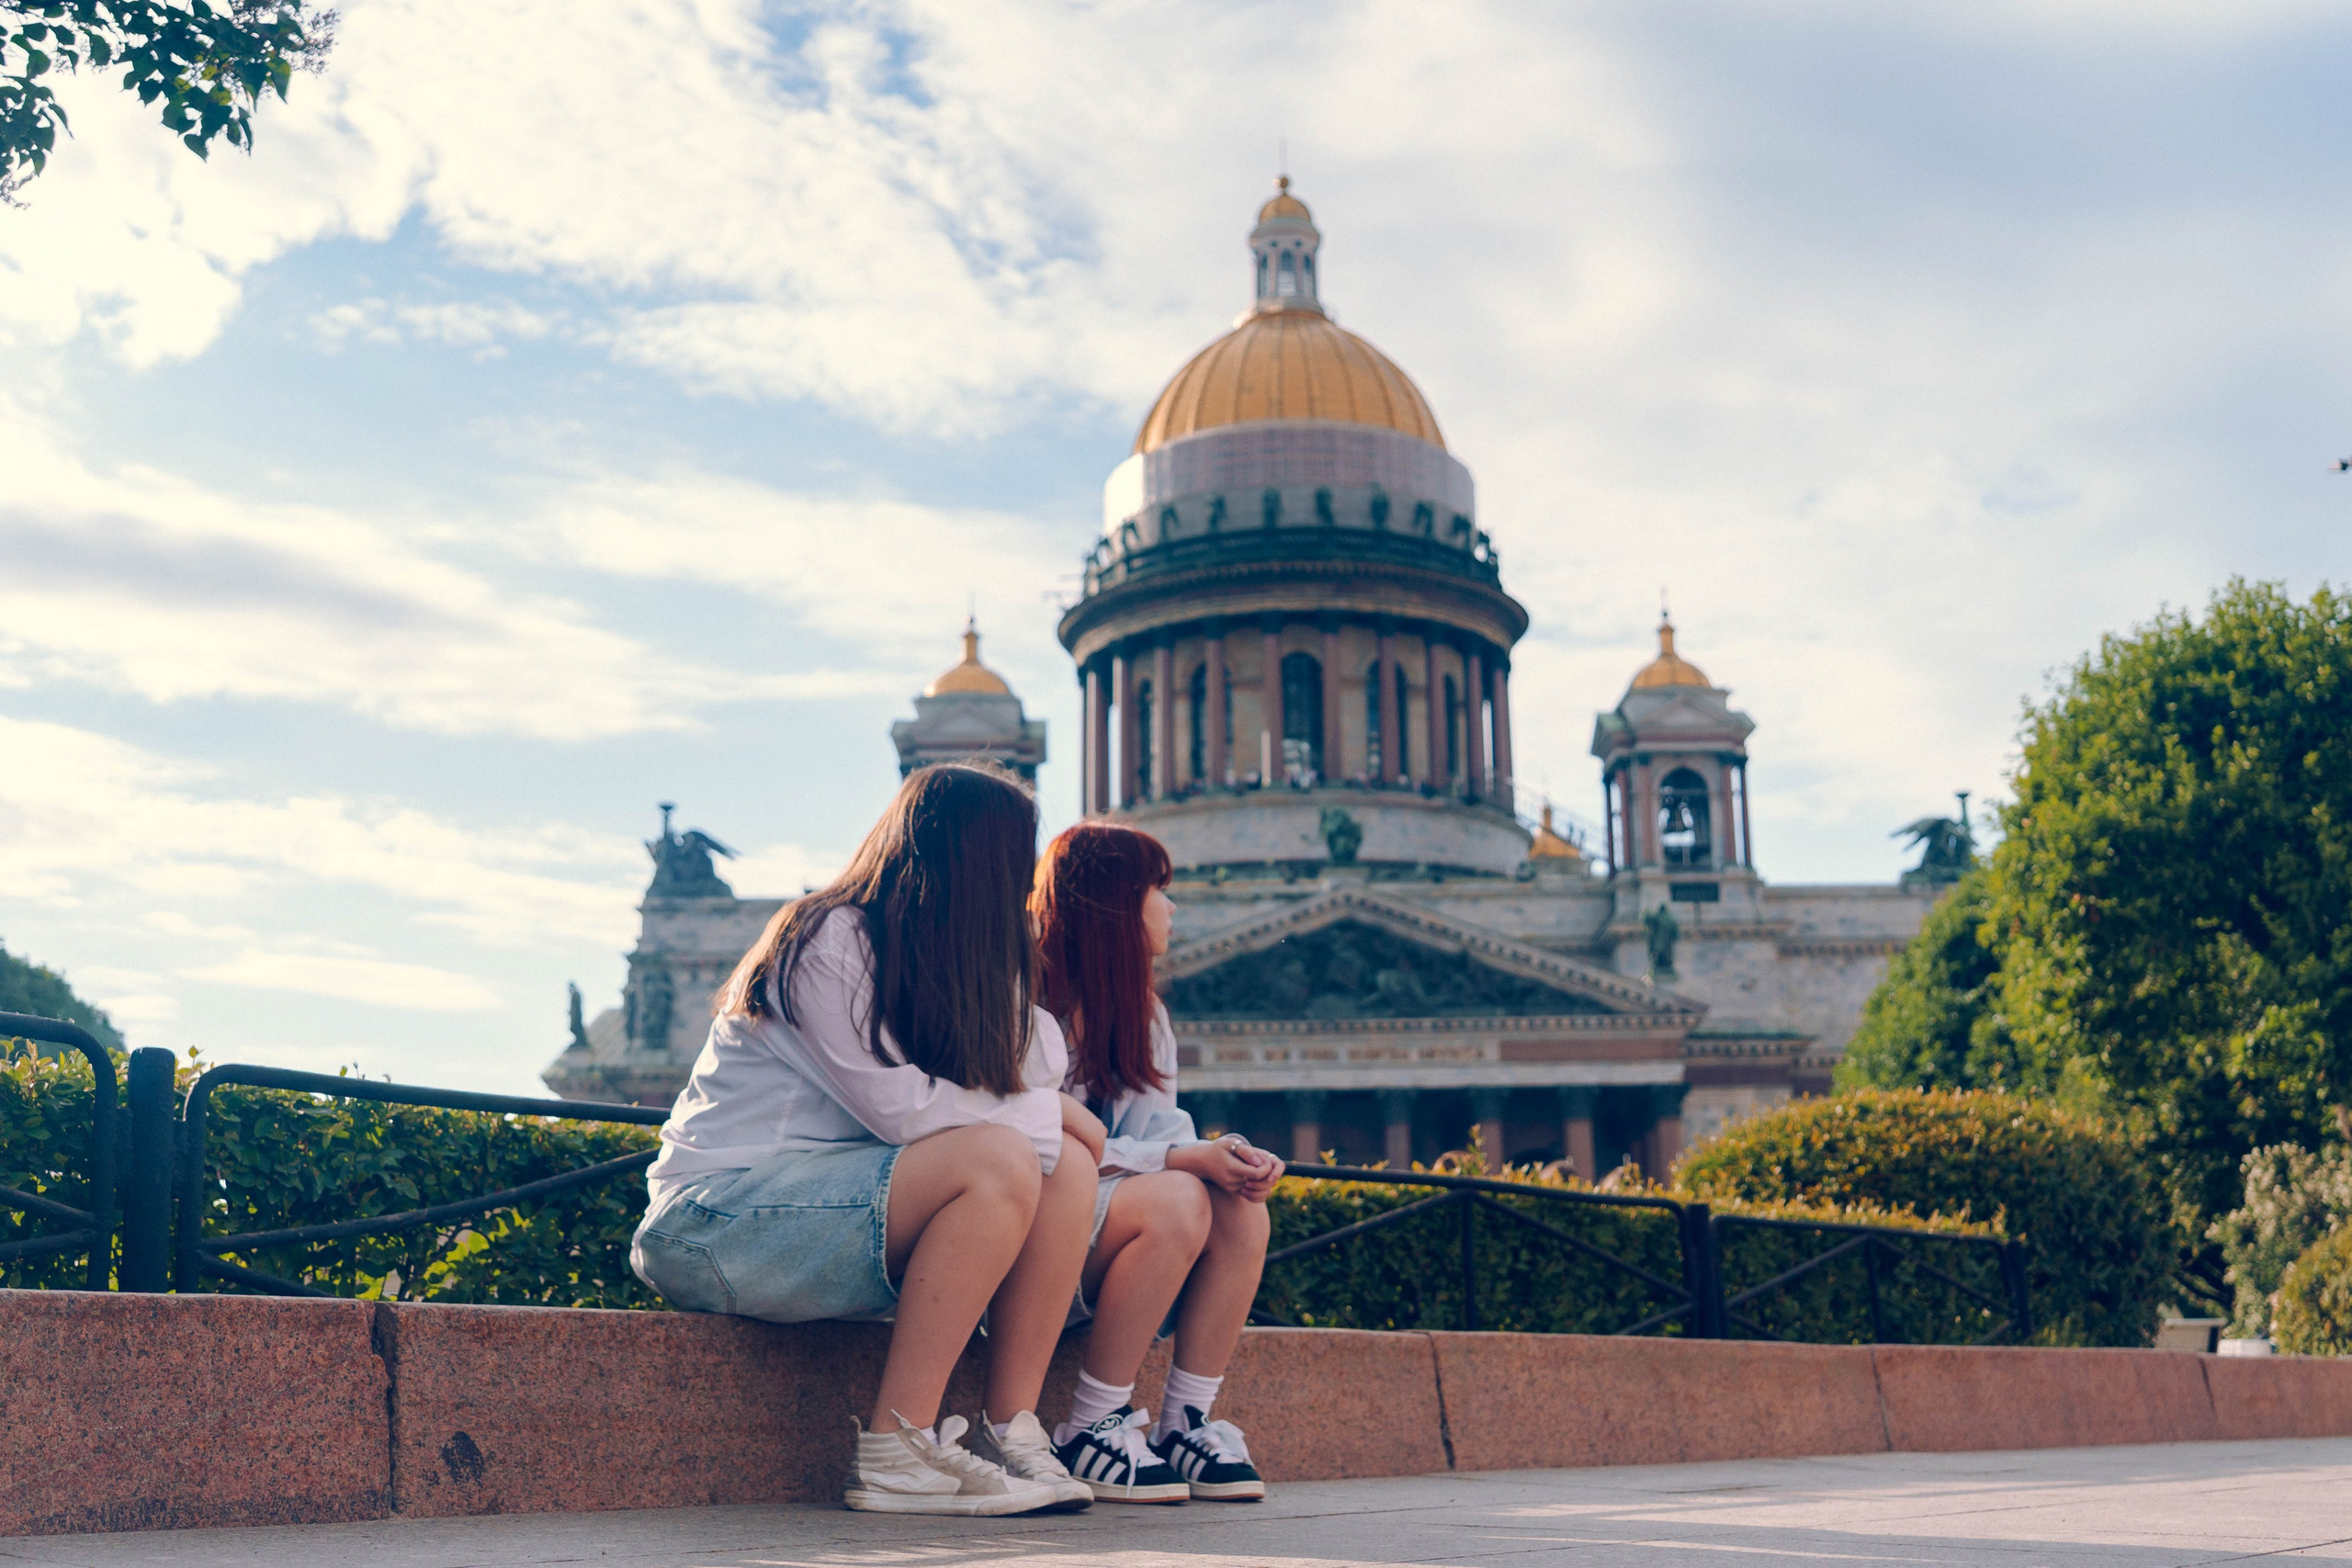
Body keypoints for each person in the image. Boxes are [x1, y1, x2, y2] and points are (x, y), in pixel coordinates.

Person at [631, 764, 1103, 1517]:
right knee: (1006, 1156)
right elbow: (905, 1114)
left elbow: (1036, 1064)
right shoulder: (829, 935)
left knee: (1068, 1166)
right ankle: (896, 1450)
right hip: (711, 1224)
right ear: (973, 862)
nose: (1024, 889)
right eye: (1016, 863)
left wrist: (1049, 1098)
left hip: (822, 1219)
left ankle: (1010, 1434)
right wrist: (1054, 1113)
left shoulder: (940, 958)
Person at [1030, 821, 1282, 1504]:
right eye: (1157, 890)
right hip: (1024, 1238)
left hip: (1096, 1230)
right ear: (1113, 900)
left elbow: (1161, 1134)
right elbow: (1034, 1138)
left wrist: (1226, 1156)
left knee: (1238, 1207)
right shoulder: (1023, 1003)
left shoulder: (1143, 1017)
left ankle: (1184, 1422)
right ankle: (1091, 1424)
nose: (1172, 909)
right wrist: (1179, 1157)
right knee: (1179, 1197)